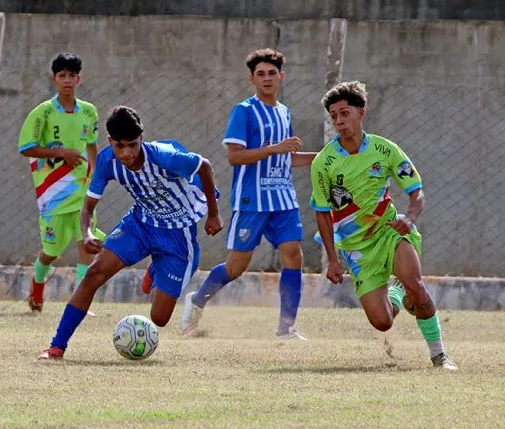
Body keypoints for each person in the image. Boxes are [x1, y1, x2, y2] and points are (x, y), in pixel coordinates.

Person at [37, 106, 224, 360]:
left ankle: (156, 269)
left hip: (177, 233)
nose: (127, 153)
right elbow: (88, 207)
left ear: (141, 139)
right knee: (93, 274)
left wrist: (213, 214)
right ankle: (57, 347)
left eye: (133, 145)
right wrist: (88, 233)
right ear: (111, 141)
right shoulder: (106, 161)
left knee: (159, 318)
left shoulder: (164, 157)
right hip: (141, 224)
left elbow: (204, 166)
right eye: (120, 146)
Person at [310, 80, 457, 370]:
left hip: (390, 233)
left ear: (360, 113)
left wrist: (410, 218)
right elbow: (322, 213)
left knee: (416, 284)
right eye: (334, 116)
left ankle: (439, 355)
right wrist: (332, 260)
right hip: (356, 248)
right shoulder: (323, 163)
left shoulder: (385, 150)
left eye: (344, 113)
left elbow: (416, 191)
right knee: (382, 323)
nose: (339, 121)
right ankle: (395, 292)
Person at [176, 48, 316, 338]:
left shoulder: (284, 112)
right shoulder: (244, 111)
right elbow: (234, 157)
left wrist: (322, 157)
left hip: (282, 198)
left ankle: (286, 329)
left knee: (293, 255)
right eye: (260, 74)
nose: (267, 78)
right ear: (251, 79)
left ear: (282, 77)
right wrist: (274, 148)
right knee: (237, 266)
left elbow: (287, 158)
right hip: (251, 200)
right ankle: (197, 300)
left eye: (272, 73)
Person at [18, 52, 103, 312]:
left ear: (80, 79)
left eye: (72, 76)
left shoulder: (89, 112)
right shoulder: (42, 113)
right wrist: (61, 153)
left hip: (81, 189)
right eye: (62, 75)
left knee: (85, 242)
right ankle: (38, 281)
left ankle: (81, 300)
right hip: (52, 192)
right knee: (52, 250)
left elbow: (91, 145)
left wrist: (95, 176)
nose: (67, 80)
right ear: (54, 79)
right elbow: (27, 147)